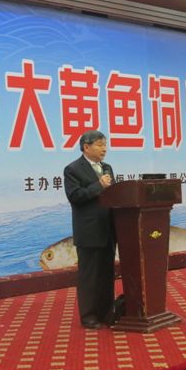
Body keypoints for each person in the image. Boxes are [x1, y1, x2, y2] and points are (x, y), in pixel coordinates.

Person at [64, 130, 116, 330]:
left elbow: (113, 194)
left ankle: (106, 312)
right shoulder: (72, 169)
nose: (105, 149)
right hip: (89, 231)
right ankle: (89, 316)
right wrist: (98, 185)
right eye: (100, 145)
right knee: (89, 276)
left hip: (108, 228)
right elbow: (75, 197)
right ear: (86, 147)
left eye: (105, 145)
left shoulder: (107, 167)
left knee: (107, 274)